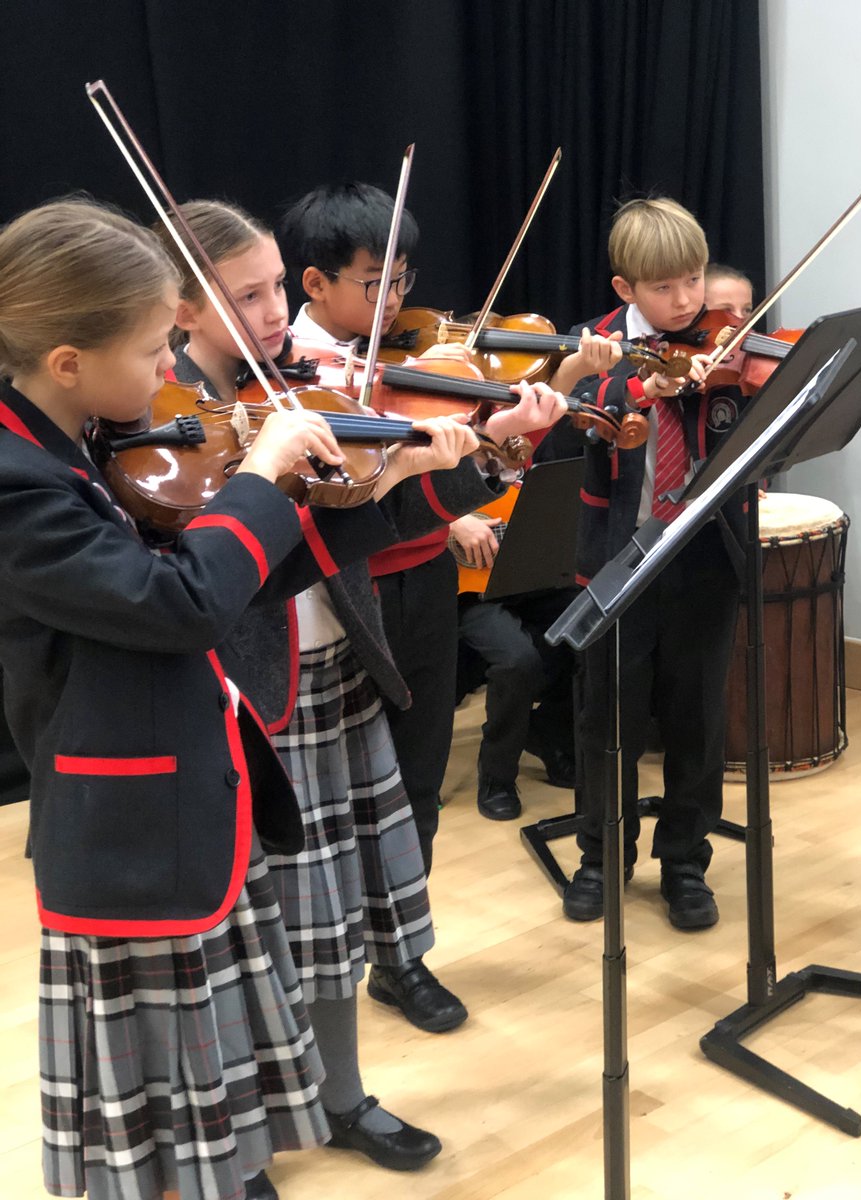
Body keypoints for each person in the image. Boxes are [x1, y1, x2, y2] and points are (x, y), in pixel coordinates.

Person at [0, 198, 417, 1200]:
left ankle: (230, 1175)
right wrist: (264, 474)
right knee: (157, 1096)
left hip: (187, 799)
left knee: (212, 1093)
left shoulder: (86, 443)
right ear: (67, 361)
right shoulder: (18, 481)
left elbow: (245, 579)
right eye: (153, 351)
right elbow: (182, 600)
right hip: (128, 834)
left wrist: (405, 479)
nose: (165, 373)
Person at [165, 198, 565, 1169]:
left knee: (338, 910)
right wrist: (266, 471)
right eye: (248, 294)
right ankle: (243, 1144)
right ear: (178, 306)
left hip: (338, 662)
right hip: (245, 699)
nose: (272, 315)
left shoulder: (303, 388)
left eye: (273, 290)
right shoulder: (162, 425)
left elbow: (375, 520)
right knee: (244, 939)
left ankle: (340, 1098)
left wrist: (491, 451)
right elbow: (205, 577)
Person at [279, 182, 580, 1033]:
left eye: (405, 279)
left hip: (422, 586)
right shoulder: (289, 377)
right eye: (378, 282)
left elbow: (438, 495)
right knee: (332, 797)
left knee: (414, 778)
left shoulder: (410, 363)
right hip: (347, 595)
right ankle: (317, 963)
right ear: (315, 283)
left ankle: (400, 954)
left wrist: (502, 444)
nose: (400, 303)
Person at [546, 196, 747, 931]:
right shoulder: (592, 346)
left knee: (697, 716)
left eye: (694, 281)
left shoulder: (723, 342)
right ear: (625, 290)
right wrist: (636, 385)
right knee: (607, 715)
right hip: (616, 560)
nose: (687, 300)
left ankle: (686, 863)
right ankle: (600, 856)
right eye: (665, 288)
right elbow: (574, 411)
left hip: (703, 556)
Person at [451, 479, 579, 821]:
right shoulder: (434, 429)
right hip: (468, 590)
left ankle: (545, 732)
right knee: (516, 660)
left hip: (531, 575)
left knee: (592, 627)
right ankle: (497, 776)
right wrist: (451, 521)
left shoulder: (540, 433)